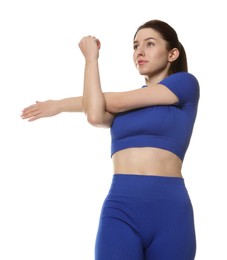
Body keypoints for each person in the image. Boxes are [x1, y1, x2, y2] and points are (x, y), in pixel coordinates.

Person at [21, 19, 200, 260]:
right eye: (135, 46)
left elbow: (110, 101)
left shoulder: (185, 84)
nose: (140, 51)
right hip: (121, 208)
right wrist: (91, 60)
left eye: (149, 44)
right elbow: (94, 113)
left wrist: (62, 104)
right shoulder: (125, 106)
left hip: (170, 211)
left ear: (172, 53)